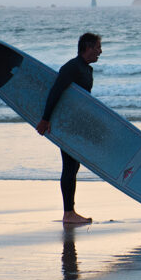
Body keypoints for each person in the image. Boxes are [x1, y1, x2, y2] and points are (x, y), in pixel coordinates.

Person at [36, 32, 102, 225]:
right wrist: (45, 119)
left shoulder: (86, 69)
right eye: (98, 47)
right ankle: (68, 213)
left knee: (73, 166)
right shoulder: (72, 67)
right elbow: (55, 91)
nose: (100, 51)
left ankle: (70, 212)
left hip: (76, 124)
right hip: (66, 124)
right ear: (87, 48)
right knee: (70, 166)